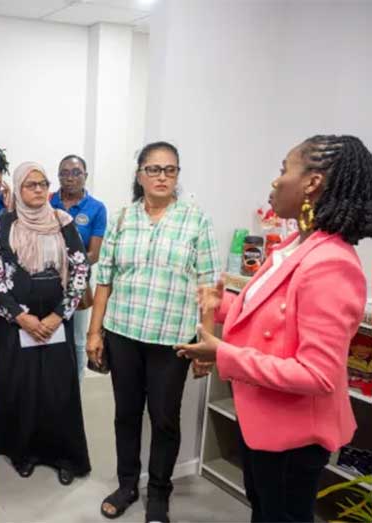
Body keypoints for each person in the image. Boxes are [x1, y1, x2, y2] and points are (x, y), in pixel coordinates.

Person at [177, 135, 372, 523]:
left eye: (285, 169)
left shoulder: (331, 263)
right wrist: (222, 305)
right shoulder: (296, 245)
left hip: (294, 437)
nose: (275, 181)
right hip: (262, 422)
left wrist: (223, 354)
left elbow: (316, 373)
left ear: (312, 183)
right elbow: (273, 321)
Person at [87, 142, 219, 523]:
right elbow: (105, 278)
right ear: (139, 174)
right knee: (126, 414)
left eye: (170, 170)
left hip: (171, 339)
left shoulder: (196, 220)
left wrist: (205, 344)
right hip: (123, 333)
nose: (162, 176)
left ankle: (159, 492)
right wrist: (95, 333)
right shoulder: (123, 217)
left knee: (164, 418)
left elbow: (209, 286)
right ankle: (127, 484)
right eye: (154, 169)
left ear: (178, 175)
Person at [0, 161, 91, 485]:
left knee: (58, 390)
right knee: (22, 388)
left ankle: (63, 456)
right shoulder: (3, 224)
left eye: (43, 184)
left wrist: (59, 315)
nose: (38, 190)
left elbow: (80, 269)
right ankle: (24, 452)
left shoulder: (63, 222)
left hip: (56, 320)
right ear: (18, 188)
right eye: (31, 184)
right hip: (17, 323)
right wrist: (21, 316)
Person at [50, 154, 107, 382]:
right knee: (50, 335)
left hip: (78, 284)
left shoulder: (96, 208)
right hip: (47, 283)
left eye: (75, 173)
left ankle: (74, 387)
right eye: (64, 173)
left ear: (85, 176)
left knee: (77, 340)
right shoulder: (48, 201)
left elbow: (94, 254)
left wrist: (62, 261)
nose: (70, 178)